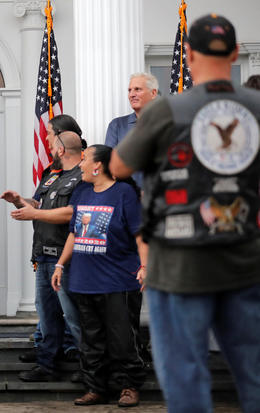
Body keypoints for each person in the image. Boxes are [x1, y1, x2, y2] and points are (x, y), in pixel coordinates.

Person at [110, 14, 260, 413]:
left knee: (186, 379)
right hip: (245, 261)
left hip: (178, 265)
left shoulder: (167, 111)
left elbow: (120, 166)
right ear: (234, 53)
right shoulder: (257, 108)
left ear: (188, 54)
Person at [51, 144, 147, 407]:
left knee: (122, 339)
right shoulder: (82, 192)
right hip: (85, 280)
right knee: (91, 340)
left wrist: (145, 266)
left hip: (118, 281)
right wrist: (60, 265)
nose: (80, 164)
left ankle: (128, 386)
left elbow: (140, 234)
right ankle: (95, 387)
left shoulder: (124, 193)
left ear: (98, 166)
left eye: (85, 160)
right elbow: (73, 233)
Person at [1, 120, 84, 382]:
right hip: (43, 254)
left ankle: (89, 365)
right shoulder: (52, 174)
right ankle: (46, 365)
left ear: (61, 148)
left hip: (65, 257)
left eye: (49, 138)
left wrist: (35, 212)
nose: (46, 141)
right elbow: (39, 202)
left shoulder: (82, 176)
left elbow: (73, 213)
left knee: (74, 315)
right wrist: (19, 200)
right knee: (46, 313)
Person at [104, 73, 159, 188]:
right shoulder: (117, 125)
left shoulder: (166, 123)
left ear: (153, 93)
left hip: (158, 194)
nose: (132, 95)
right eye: (129, 90)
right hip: (126, 194)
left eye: (137, 89)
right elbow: (109, 164)